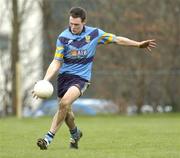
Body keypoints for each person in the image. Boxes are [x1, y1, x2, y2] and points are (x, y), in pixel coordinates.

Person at [33, 7, 156, 150]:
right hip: (64, 78)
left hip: (81, 78)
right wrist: (45, 80)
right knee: (66, 112)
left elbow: (117, 39)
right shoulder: (63, 37)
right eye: (71, 23)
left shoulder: (95, 34)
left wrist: (138, 44)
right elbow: (56, 62)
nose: (73, 27)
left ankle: (48, 138)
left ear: (84, 22)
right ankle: (75, 133)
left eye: (76, 24)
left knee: (64, 103)